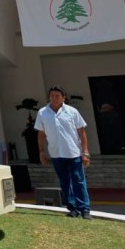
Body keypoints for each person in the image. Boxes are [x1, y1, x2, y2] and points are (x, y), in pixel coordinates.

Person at [35, 85, 92, 219]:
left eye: (57, 96)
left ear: (63, 98)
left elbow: (81, 132)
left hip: (74, 153)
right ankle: (72, 208)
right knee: (64, 182)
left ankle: (84, 209)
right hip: (56, 154)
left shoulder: (72, 111)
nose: (54, 99)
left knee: (78, 181)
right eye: (52, 96)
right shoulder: (43, 113)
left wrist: (85, 152)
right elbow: (41, 134)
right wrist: (42, 152)